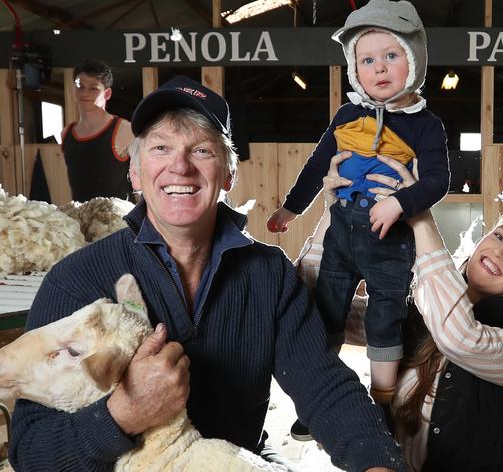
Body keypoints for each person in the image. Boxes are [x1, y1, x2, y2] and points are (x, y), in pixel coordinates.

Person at [9, 75, 404, 472]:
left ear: (228, 175)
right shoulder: (78, 278)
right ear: (135, 173)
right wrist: (123, 416)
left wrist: (377, 463)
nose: (180, 166)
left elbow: (325, 387)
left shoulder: (268, 274)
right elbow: (29, 452)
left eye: (200, 150)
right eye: (161, 148)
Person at [300, 153, 503, 471]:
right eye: (499, 236)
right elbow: (318, 312)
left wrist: (419, 214)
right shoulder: (420, 307)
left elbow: (459, 337)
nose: (501, 251)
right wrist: (337, 215)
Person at [267, 0, 450, 439]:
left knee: (384, 319)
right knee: (326, 311)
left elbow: (438, 181)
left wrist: (400, 203)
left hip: (390, 238)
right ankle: (320, 399)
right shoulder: (347, 114)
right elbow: (317, 165)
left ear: (414, 62)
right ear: (354, 69)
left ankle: (382, 406)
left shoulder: (425, 124)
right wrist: (292, 207)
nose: (380, 68)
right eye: (367, 60)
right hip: (343, 231)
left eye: (392, 56)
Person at [61, 58, 134, 202]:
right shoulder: (67, 133)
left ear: (107, 94)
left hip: (116, 221)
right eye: (80, 86)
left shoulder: (124, 130)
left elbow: (145, 179)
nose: (84, 93)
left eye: (93, 88)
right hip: (80, 219)